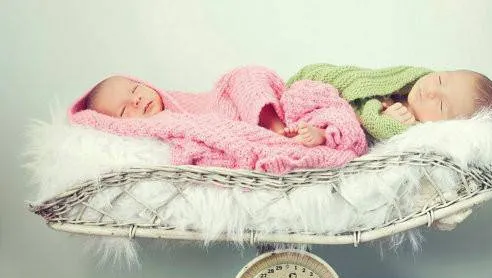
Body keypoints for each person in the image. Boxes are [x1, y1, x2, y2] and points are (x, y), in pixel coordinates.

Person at [67, 66, 368, 174]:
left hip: (261, 114)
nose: (137, 99)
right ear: (117, 125)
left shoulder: (180, 99)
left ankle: (285, 130)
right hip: (237, 130)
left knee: (244, 75)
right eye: (124, 110)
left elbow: (216, 100)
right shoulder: (163, 126)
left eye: (135, 88)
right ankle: (302, 139)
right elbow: (86, 121)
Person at [287, 64, 492, 141]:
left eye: (441, 105)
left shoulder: (412, 125)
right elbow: (369, 80)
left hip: (336, 114)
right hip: (331, 89)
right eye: (440, 79)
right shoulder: (410, 80)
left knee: (340, 124)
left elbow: (369, 126)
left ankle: (293, 126)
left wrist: (385, 121)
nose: (431, 91)